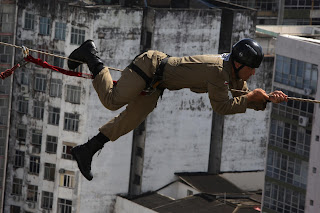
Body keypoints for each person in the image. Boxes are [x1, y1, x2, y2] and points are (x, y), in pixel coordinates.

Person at [68, 38, 288, 181]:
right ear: (240, 64)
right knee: (111, 101)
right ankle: (91, 55)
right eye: (252, 69)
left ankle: (86, 150)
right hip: (149, 67)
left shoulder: (232, 72)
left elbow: (245, 98)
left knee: (129, 121)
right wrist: (251, 97)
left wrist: (269, 99)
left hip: (157, 83)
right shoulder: (218, 71)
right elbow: (222, 106)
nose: (253, 74)